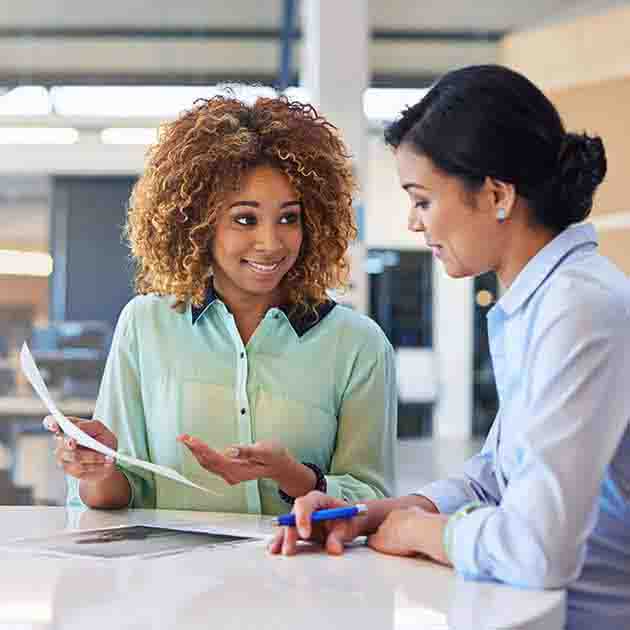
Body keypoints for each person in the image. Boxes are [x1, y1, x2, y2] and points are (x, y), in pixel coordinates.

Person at [270, 64, 630, 630]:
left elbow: (538, 550)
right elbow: (495, 476)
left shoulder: (580, 310)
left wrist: (421, 532)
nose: (415, 223)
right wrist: (370, 515)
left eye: (422, 200)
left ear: (496, 195)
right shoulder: (535, 304)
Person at [44, 92, 396, 515]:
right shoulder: (146, 324)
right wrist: (97, 471)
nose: (270, 243)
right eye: (245, 219)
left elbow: (372, 498)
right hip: (175, 578)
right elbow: (121, 496)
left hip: (302, 577)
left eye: (289, 218)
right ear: (199, 224)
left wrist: (294, 477)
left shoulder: (359, 345)